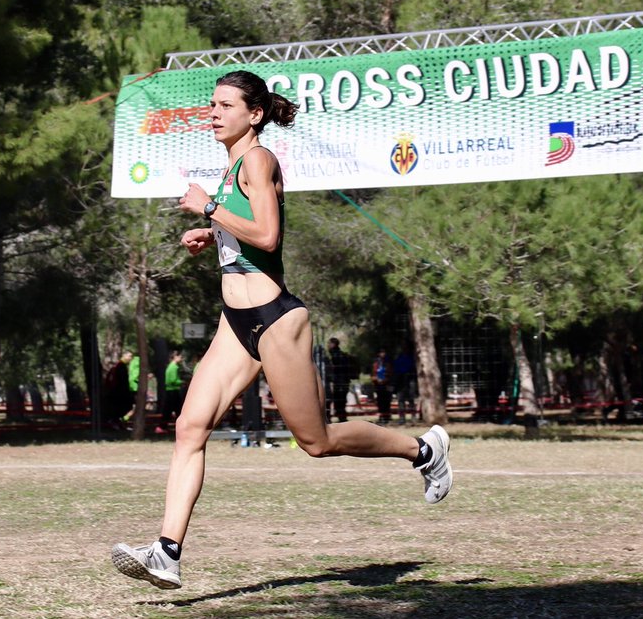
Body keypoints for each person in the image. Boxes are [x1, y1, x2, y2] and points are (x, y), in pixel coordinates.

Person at [111, 70, 451, 590]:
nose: (214, 112)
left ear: (255, 114)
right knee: (189, 427)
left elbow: (268, 236)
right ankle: (167, 551)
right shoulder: (229, 170)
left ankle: (423, 450)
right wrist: (212, 231)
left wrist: (207, 207)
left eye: (226, 105)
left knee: (316, 441)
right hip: (235, 323)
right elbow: (246, 231)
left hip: (275, 320)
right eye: (212, 104)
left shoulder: (258, 159)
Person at [157, 350, 187, 434]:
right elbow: (172, 380)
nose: (181, 358)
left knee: (170, 410)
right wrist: (182, 382)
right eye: (180, 357)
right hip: (173, 391)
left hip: (170, 391)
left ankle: (163, 427)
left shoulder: (170, 366)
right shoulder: (174, 367)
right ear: (175, 357)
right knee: (176, 410)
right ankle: (180, 427)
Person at [324, 338, 352, 423]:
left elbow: (335, 371)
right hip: (343, 382)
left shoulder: (335, 355)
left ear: (334, 344)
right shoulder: (342, 355)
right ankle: (342, 419)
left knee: (338, 402)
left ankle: (341, 419)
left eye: (329, 343)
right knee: (341, 402)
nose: (328, 345)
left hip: (339, 383)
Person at [392, 345, 417, 424]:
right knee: (401, 401)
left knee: (411, 400)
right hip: (400, 381)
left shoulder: (411, 357)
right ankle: (402, 418)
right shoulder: (399, 358)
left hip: (410, 380)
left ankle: (413, 417)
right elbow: (395, 369)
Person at [371, 347, 393, 424]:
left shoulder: (388, 362)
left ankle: (387, 417)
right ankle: (382, 417)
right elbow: (373, 374)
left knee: (387, 401)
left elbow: (391, 374)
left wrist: (385, 380)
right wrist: (376, 379)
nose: (382, 354)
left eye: (384, 352)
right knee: (380, 402)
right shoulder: (375, 363)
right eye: (381, 352)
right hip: (378, 386)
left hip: (386, 385)